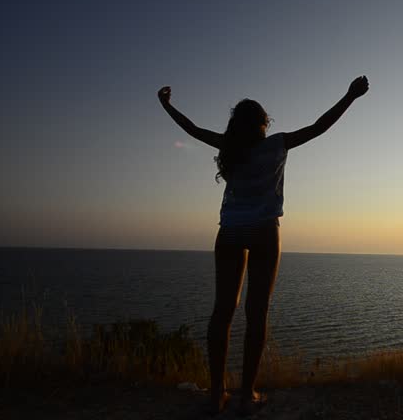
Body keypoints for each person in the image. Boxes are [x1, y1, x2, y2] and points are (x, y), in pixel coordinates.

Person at [158, 76, 369, 414]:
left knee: (222, 312)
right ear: (263, 123)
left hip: (229, 231)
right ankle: (247, 394)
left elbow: (192, 129)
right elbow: (320, 126)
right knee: (256, 314)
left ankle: (216, 394)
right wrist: (350, 96)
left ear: (234, 124)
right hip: (264, 232)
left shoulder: (228, 147)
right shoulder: (277, 145)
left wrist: (167, 106)